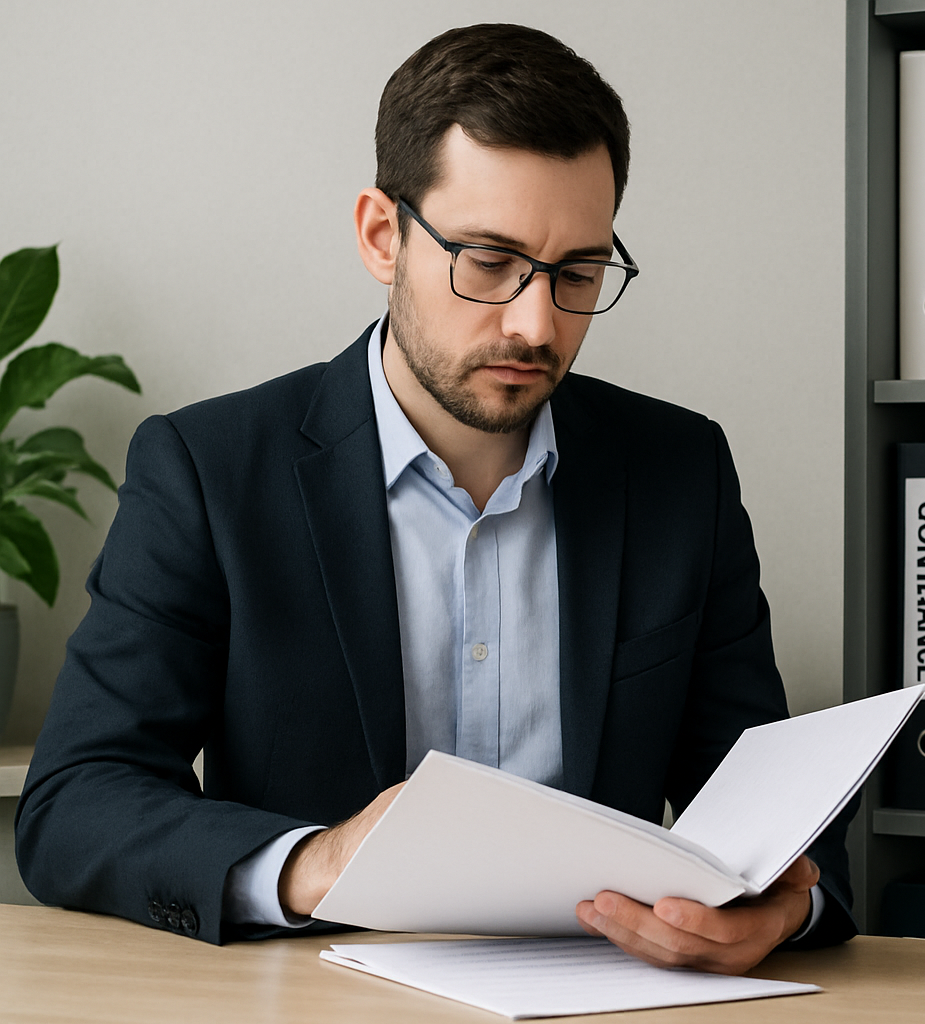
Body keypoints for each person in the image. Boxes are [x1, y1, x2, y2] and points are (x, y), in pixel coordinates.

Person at [14, 23, 854, 975]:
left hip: (612, 996)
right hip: (322, 995)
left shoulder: (680, 471)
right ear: (382, 235)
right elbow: (75, 801)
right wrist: (312, 865)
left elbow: (772, 820)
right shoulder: (210, 469)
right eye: (489, 262)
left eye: (579, 273)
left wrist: (784, 910)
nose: (536, 322)